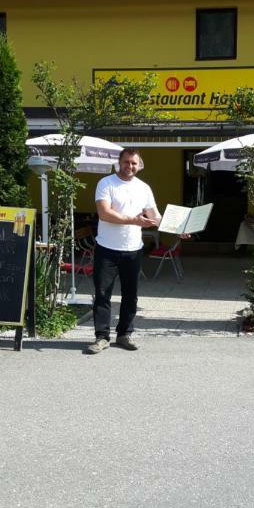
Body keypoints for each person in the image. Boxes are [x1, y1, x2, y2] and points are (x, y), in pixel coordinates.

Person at [85, 148, 161, 354]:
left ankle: (124, 335)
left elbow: (155, 216)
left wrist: (178, 229)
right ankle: (101, 337)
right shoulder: (106, 183)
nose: (130, 166)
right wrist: (135, 220)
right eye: (126, 162)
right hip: (107, 249)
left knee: (131, 295)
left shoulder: (144, 188)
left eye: (134, 163)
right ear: (120, 163)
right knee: (102, 294)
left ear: (139, 164)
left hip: (133, 250)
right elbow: (105, 214)